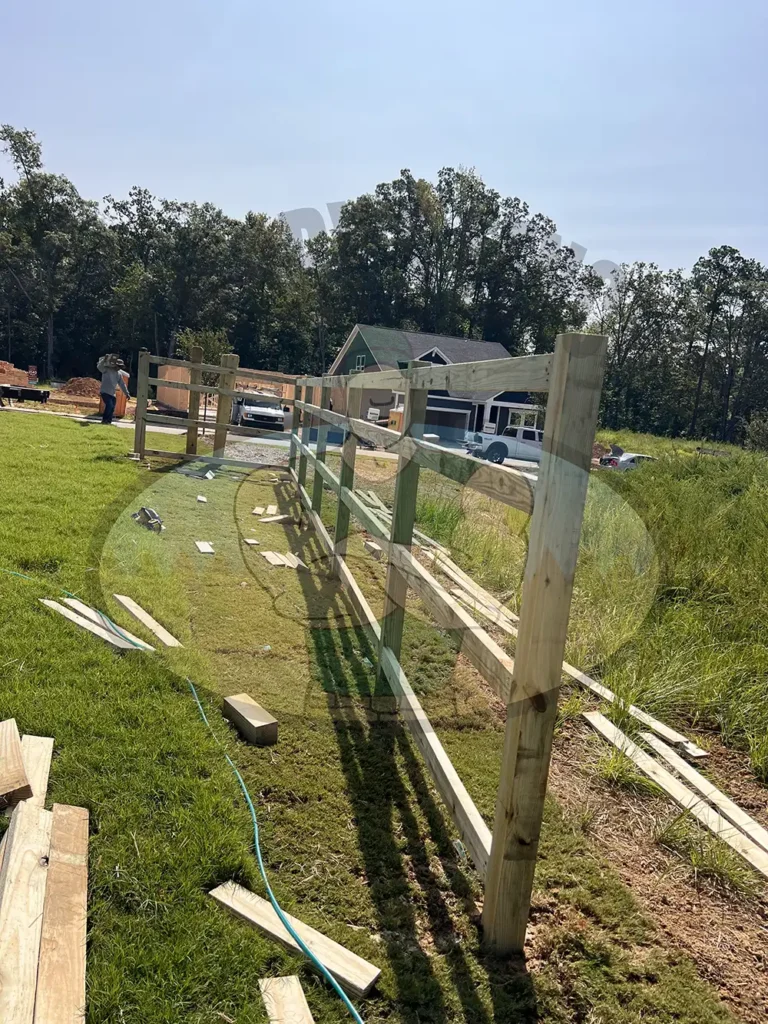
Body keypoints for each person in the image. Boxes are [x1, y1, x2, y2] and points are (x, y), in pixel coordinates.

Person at [97, 354, 130, 425]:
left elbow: (122, 384)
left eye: (120, 367)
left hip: (112, 394)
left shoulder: (119, 374)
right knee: (109, 405)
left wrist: (127, 393)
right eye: (119, 366)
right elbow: (99, 366)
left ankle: (109, 422)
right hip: (105, 392)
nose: (119, 368)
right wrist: (104, 359)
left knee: (112, 408)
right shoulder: (106, 369)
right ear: (115, 365)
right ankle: (104, 420)